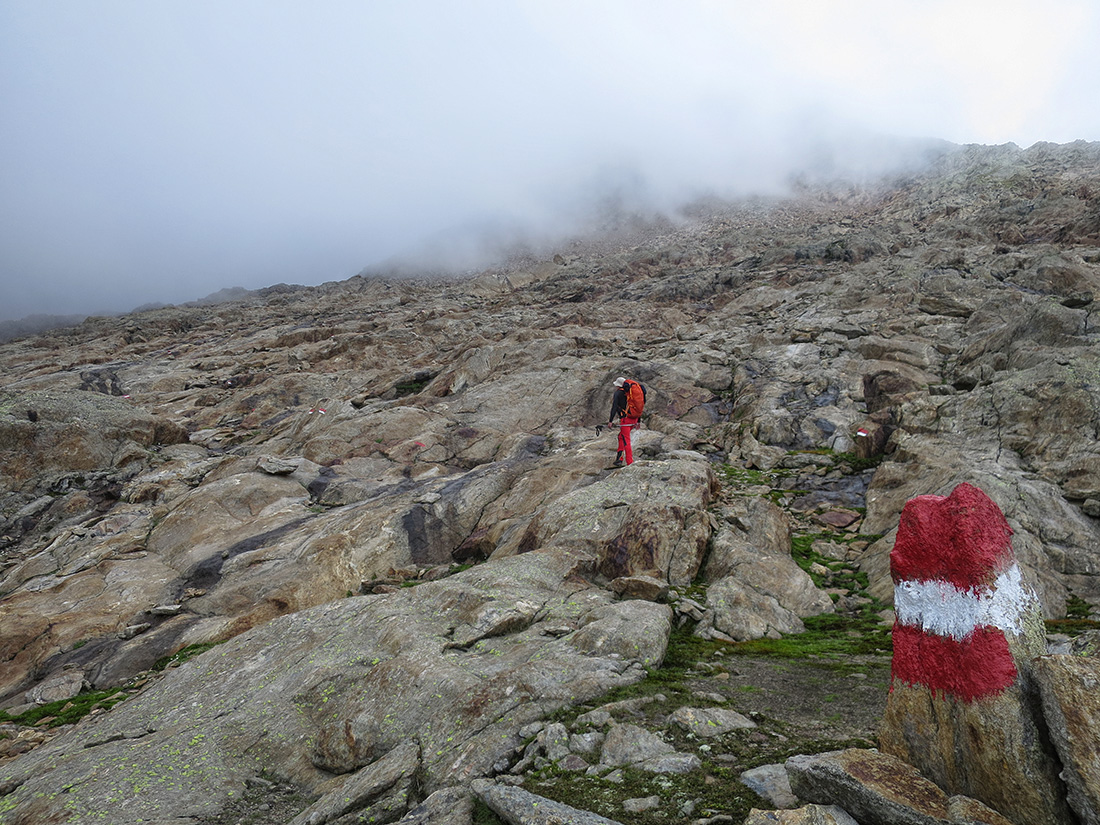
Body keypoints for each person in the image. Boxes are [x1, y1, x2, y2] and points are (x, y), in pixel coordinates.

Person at [608, 376, 646, 466]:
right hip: (634, 418)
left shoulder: (618, 393)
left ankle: (630, 462)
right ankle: (619, 458)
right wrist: (638, 421)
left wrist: (610, 421)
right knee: (621, 437)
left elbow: (614, 407)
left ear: (619, 386)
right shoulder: (630, 393)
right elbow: (639, 407)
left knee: (626, 441)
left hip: (626, 420)